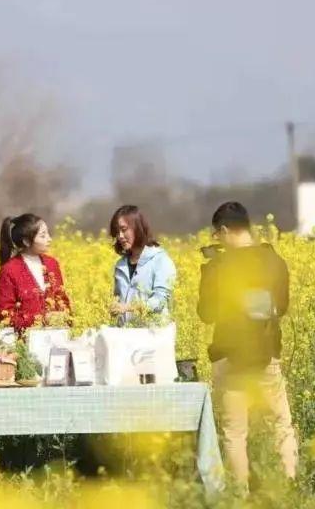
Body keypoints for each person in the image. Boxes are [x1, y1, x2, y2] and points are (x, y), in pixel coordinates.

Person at [197, 201, 297, 491]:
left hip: (230, 357)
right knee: (281, 424)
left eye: (217, 235)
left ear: (225, 231)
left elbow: (206, 314)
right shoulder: (274, 261)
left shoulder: (218, 265)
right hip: (267, 354)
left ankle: (240, 495)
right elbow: (283, 306)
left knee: (234, 432)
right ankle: (291, 486)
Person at [0, 214, 72, 333]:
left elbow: (62, 299)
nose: (49, 239)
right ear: (26, 241)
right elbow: (3, 315)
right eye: (43, 236)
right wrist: (40, 320)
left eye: (48, 234)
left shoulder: (52, 264)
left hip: (56, 336)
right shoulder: (9, 270)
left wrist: (64, 316)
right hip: (24, 343)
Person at [109, 205, 176, 325]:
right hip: (125, 337)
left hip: (152, 335)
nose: (120, 236)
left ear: (137, 228)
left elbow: (160, 301)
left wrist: (128, 307)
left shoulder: (160, 261)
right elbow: (118, 301)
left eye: (124, 230)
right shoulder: (120, 265)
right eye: (117, 232)